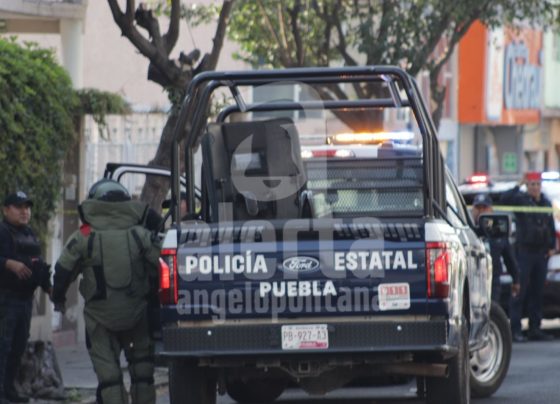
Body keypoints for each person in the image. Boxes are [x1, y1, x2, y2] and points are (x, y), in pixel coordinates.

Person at [52, 179, 161, 404]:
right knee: (143, 375)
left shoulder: (84, 236)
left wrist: (58, 299)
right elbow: (161, 265)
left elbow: (62, 271)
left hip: (99, 320)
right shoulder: (139, 234)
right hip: (137, 316)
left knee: (109, 378)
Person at [0, 191, 51, 404]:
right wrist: (7, 263)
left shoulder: (29, 233)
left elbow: (39, 264)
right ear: (6, 210)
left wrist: (49, 287)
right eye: (19, 207)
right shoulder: (2, 232)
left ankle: (9, 389)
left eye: (27, 207)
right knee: (3, 346)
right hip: (6, 299)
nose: (25, 211)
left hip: (25, 300)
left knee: (18, 346)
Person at [500, 171, 556, 342]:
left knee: (537, 293)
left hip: (541, 254)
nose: (535, 187)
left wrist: (551, 246)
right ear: (527, 185)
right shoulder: (520, 199)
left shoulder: (545, 202)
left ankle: (535, 328)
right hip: (524, 253)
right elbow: (504, 199)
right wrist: (519, 184)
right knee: (519, 291)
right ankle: (515, 330)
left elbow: (550, 225)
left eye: (537, 184)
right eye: (532, 184)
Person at [471, 193, 520, 303]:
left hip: (492, 279)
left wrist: (516, 280)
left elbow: (509, 258)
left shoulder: (498, 231)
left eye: (484, 207)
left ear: (491, 210)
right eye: (478, 208)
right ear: (473, 210)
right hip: (472, 279)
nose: (481, 211)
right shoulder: (466, 230)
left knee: (492, 309)